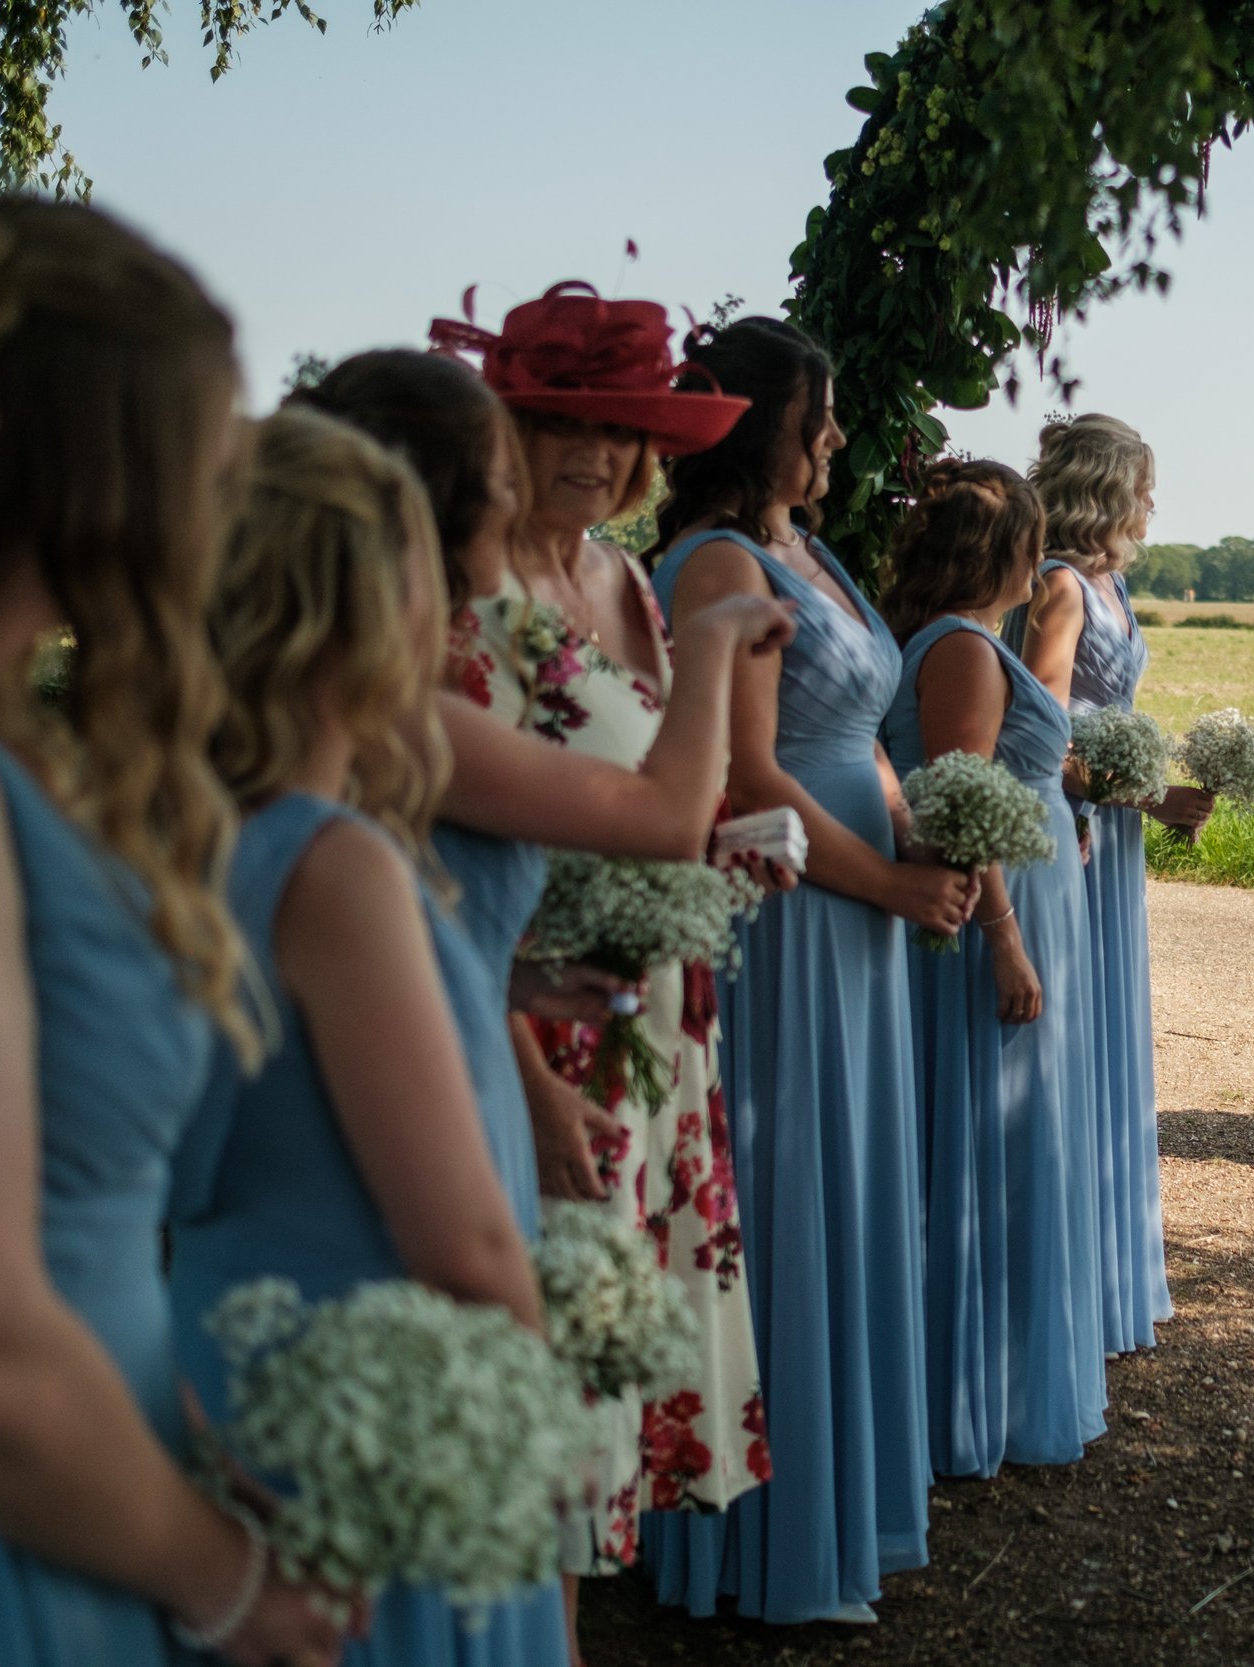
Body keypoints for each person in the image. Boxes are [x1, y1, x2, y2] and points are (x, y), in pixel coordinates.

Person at [0, 199, 343, 1667]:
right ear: (103, 458)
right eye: (209, 435)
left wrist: (188, 1451)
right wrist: (227, 1577)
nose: (225, 482)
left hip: (73, 1507)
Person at [171, 405, 565, 1665]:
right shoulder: (336, 862)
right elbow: (465, 1237)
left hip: (238, 1369)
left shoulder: (194, 829)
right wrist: (537, 1431)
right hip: (372, 1419)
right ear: (371, 604)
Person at [427, 286, 785, 1638]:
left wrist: (729, 849)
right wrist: (522, 1078)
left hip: (652, 1015)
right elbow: (442, 874)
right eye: (560, 419)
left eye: (619, 424)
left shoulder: (627, 579)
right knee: (539, 1379)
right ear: (506, 428)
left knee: (605, 1367)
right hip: (532, 1025)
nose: (591, 448)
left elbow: (660, 781)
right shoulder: (476, 599)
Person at [643, 316, 973, 1626]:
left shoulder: (814, 551)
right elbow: (749, 773)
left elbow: (865, 733)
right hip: (787, 902)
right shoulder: (713, 560)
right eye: (816, 415)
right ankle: (755, 1538)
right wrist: (886, 878)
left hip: (865, 896)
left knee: (856, 1175)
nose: (837, 436)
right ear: (752, 420)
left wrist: (931, 836)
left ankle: (848, 1492)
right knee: (789, 1182)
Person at [879, 461, 1108, 1477]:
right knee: (986, 1144)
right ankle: (969, 1394)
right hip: (988, 924)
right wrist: (1006, 938)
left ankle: (997, 1377)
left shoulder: (967, 639)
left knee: (1017, 1144)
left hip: (1024, 905)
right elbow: (956, 802)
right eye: (1032, 534)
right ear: (1006, 546)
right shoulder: (965, 649)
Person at [1005, 413, 1208, 1354]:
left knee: (1110, 1031)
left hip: (1115, 825)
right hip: (1078, 825)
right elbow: (1046, 732)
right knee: (1071, 1035)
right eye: (1143, 485)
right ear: (1104, 488)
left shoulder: (1113, 582)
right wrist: (1148, 794)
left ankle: (1102, 1268)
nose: (1153, 503)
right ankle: (1058, 1277)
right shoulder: (1059, 587)